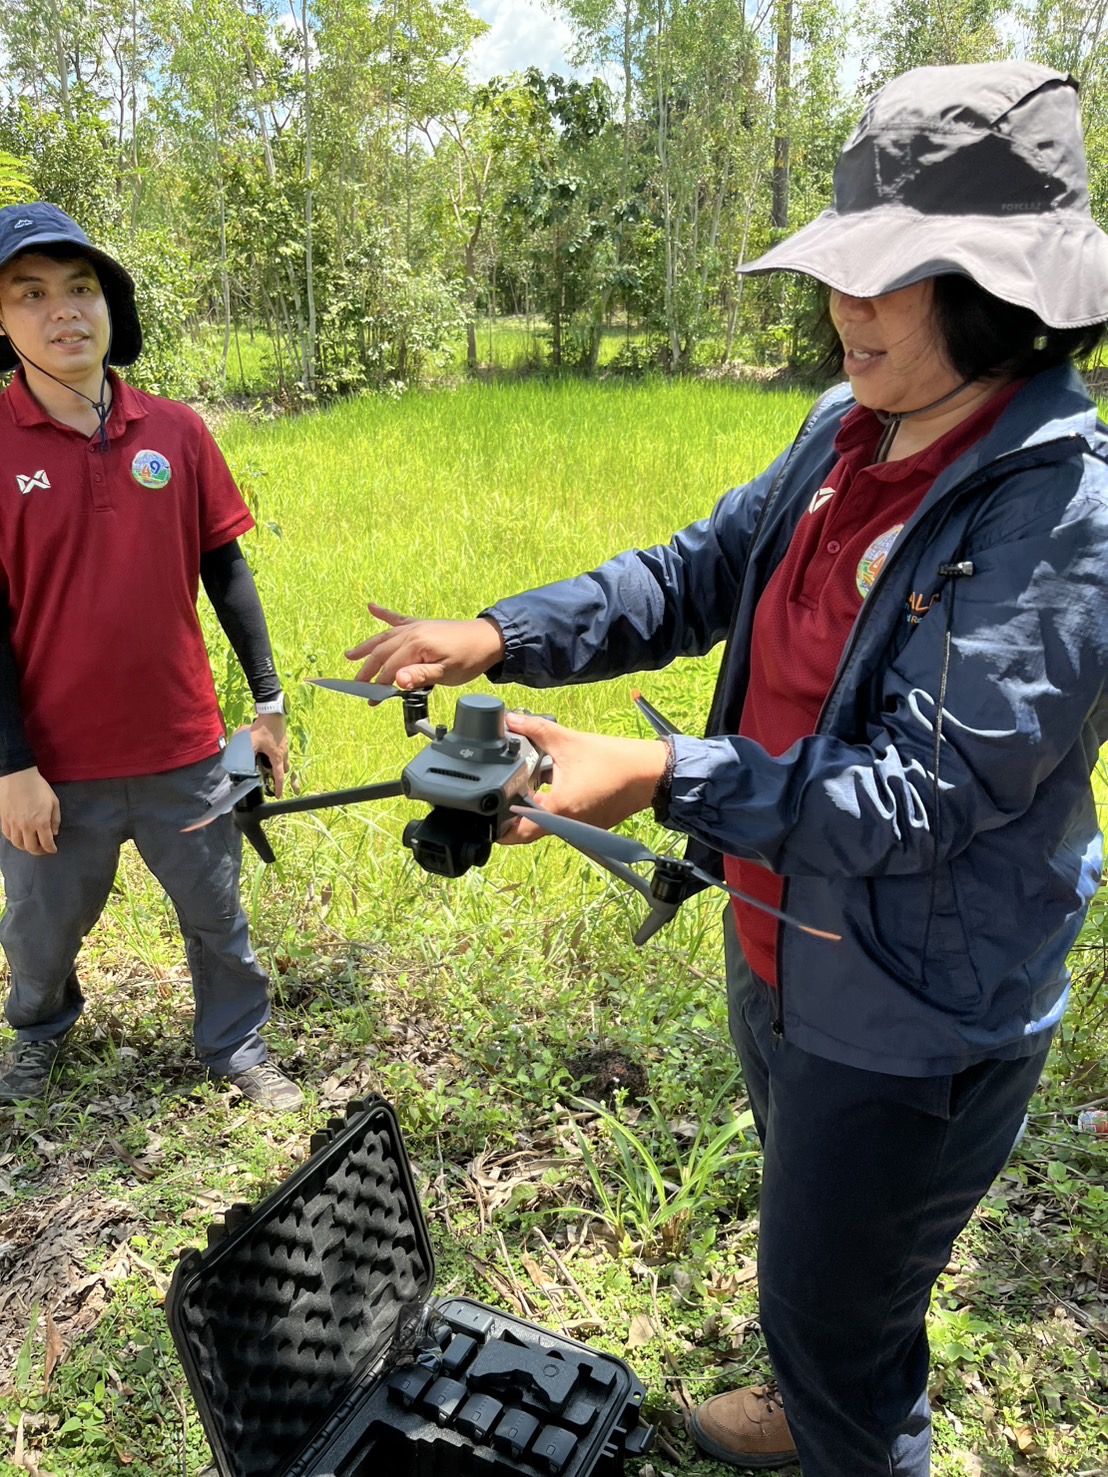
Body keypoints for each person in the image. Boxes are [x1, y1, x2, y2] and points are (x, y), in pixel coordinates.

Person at [340, 63, 1108, 1475]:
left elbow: (923, 797)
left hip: (915, 1002)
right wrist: (502, 632)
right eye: (842, 271)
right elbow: (698, 572)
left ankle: (851, 1426)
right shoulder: (846, 429)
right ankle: (822, 1387)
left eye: (890, 279)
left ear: (997, 294)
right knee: (822, 1246)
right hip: (788, 933)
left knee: (842, 1272)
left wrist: (657, 775)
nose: (846, 311)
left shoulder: (1057, 518)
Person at [0, 203, 303, 1111]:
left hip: (184, 748)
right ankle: (41, 1031)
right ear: (2, 318)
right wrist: (11, 765)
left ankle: (236, 1044)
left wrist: (269, 702)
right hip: (53, 763)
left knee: (218, 916)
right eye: (32, 293)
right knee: (42, 930)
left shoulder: (176, 431)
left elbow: (226, 567)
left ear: (109, 303)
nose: (65, 313)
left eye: (82, 288)